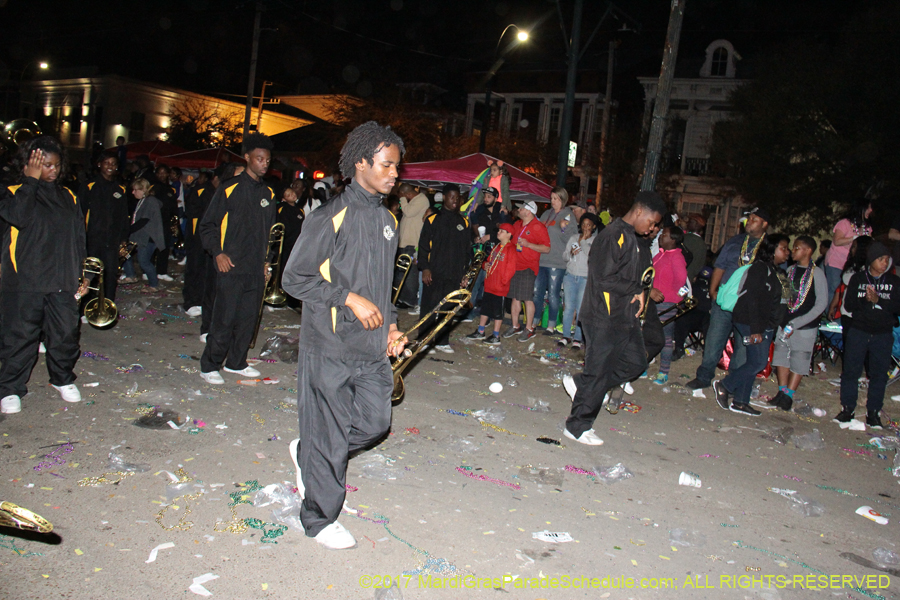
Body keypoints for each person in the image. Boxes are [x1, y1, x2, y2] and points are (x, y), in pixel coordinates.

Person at [281, 121, 407, 550]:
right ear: (361, 163)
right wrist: (347, 298)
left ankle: (312, 454)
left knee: (375, 422)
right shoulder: (327, 216)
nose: (394, 174)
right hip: (330, 345)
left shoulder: (390, 220)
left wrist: (390, 326)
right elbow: (293, 279)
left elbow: (384, 285)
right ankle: (317, 518)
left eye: (396, 166)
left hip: (371, 347)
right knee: (331, 432)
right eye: (387, 165)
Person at [561, 191, 667, 445]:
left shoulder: (633, 238)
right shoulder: (613, 235)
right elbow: (605, 277)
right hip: (602, 315)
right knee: (599, 371)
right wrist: (635, 289)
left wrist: (641, 292)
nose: (653, 228)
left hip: (623, 315)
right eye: (652, 222)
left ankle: (582, 383)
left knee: (636, 362)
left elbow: (636, 276)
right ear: (639, 211)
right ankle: (577, 427)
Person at [0, 136, 87, 415]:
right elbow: (18, 217)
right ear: (28, 164)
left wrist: (83, 275)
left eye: (55, 165)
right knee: (20, 336)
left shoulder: (68, 196)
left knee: (65, 334)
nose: (51, 170)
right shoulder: (13, 191)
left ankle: (62, 378)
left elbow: (78, 238)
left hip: (62, 279)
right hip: (25, 279)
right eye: (44, 165)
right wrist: (30, 181)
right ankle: (11, 388)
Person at [198, 133, 276, 384]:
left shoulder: (269, 194)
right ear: (247, 158)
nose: (264, 163)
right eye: (259, 159)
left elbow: (270, 234)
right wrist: (217, 253)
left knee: (247, 319)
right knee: (224, 318)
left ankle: (236, 362)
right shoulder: (229, 188)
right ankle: (210, 365)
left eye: (267, 160)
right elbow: (207, 225)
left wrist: (267, 262)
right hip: (231, 266)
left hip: (255, 268)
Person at [687, 207, 770, 391]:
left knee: (742, 347)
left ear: (764, 223)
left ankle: (731, 383)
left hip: (748, 306)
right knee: (714, 339)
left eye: (754, 219)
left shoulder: (768, 247)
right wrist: (713, 290)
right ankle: (703, 376)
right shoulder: (735, 241)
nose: (749, 222)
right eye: (749, 218)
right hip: (724, 300)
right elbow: (720, 266)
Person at [712, 235, 791, 416]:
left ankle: (740, 402)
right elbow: (752, 299)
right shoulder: (760, 269)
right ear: (772, 250)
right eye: (784, 248)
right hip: (751, 322)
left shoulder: (775, 271)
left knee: (752, 361)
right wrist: (756, 328)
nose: (788, 252)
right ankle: (725, 385)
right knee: (758, 362)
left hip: (764, 323)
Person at [834, 242, 900, 429]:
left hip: (882, 333)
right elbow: (848, 305)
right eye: (880, 259)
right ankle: (848, 409)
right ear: (871, 260)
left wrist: (879, 300)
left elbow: (898, 307)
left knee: (878, 374)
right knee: (851, 371)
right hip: (859, 330)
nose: (884, 263)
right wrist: (866, 299)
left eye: (887, 259)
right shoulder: (857, 279)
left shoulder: (894, 282)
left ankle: (873, 413)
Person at [767, 235, 828, 410]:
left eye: (797, 248)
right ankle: (781, 391)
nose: (792, 251)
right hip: (785, 323)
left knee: (799, 359)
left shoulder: (818, 274)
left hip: (804, 326)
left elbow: (821, 304)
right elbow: (785, 298)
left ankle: (789, 395)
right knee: (780, 357)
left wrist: (798, 322)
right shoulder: (790, 270)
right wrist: (781, 319)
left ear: (808, 251)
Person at [418, 184, 471, 354]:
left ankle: (442, 341)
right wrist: (425, 268)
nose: (455, 200)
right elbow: (424, 246)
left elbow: (466, 251)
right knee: (429, 306)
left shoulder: (463, 222)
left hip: (454, 273)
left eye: (458, 197)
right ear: (445, 198)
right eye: (452, 197)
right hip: (434, 272)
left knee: (448, 307)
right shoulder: (433, 219)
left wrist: (465, 273)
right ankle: (424, 339)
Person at [81, 150, 129, 303]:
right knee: (89, 275)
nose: (110, 166)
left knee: (110, 274)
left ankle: (107, 306)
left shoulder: (120, 189)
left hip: (112, 241)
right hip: (92, 240)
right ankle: (84, 310)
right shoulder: (89, 186)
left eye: (113, 163)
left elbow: (123, 217)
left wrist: (123, 239)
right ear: (99, 164)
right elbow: (79, 215)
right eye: (107, 163)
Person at [464, 223, 517, 345]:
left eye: (502, 231)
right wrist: (484, 265)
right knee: (485, 309)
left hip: (499, 287)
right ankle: (481, 331)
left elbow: (511, 269)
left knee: (497, 312)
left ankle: (495, 335)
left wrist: (503, 282)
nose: (499, 232)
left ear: (509, 235)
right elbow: (488, 261)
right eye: (499, 230)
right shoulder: (496, 247)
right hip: (489, 284)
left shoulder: (511, 249)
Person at [532, 187, 575, 336]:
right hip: (541, 259)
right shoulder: (546, 214)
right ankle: (535, 320)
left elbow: (572, 239)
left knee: (553, 294)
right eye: (551, 198)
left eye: (556, 198)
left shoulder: (568, 215)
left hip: (556, 262)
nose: (552, 201)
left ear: (563, 199)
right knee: (537, 292)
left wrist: (563, 229)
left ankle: (551, 325)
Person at [650, 225, 688, 385]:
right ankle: (644, 366)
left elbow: (682, 282)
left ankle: (663, 372)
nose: (660, 237)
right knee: (650, 335)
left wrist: (675, 299)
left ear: (673, 239)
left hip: (667, 302)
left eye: (664, 234)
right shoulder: (661, 255)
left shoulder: (676, 257)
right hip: (653, 300)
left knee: (665, 338)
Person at [466, 185, 508, 320]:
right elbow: (473, 229)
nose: (486, 199)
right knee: (474, 281)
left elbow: (508, 233)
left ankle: (487, 314)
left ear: (495, 198)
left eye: (489, 196)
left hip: (495, 254)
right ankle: (469, 311)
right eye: (485, 196)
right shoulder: (480, 211)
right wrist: (476, 237)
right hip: (481, 253)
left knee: (489, 285)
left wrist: (491, 237)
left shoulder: (501, 212)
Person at [559, 213, 599, 349]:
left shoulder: (595, 241)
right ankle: (565, 336)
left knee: (581, 308)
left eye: (588, 225)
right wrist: (570, 252)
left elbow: (594, 259)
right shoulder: (573, 238)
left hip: (584, 277)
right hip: (570, 276)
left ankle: (577, 338)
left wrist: (584, 245)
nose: (585, 227)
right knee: (568, 307)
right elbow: (564, 256)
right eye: (583, 224)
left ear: (593, 227)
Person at [182, 170, 218, 316]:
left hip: (210, 238)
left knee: (206, 271)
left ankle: (202, 300)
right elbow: (193, 213)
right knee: (195, 268)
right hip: (197, 238)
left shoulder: (220, 193)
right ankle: (191, 301)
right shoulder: (201, 191)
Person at [823, 199, 873, 303]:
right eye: (868, 208)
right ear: (861, 209)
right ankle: (832, 316)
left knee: (849, 290)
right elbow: (837, 241)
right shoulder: (844, 223)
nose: (871, 210)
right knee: (834, 289)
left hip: (853, 265)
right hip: (836, 263)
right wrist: (855, 238)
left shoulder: (867, 227)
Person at [121, 178, 165, 291]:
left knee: (144, 262)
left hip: (148, 237)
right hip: (139, 236)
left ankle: (154, 285)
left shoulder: (151, 201)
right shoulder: (142, 201)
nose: (133, 192)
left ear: (143, 190)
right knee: (125, 254)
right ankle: (130, 275)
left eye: (135, 190)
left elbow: (143, 221)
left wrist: (128, 230)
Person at [394, 182, 429, 308]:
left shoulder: (422, 200)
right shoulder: (412, 202)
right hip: (405, 242)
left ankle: (410, 300)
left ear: (406, 193)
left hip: (413, 243)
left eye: (402, 195)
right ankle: (401, 298)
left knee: (410, 273)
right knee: (402, 272)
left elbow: (408, 212)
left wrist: (402, 199)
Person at [277, 185, 305, 310]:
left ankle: (294, 299)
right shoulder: (281, 209)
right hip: (286, 246)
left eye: (292, 193)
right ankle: (283, 297)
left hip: (298, 246)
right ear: (283, 198)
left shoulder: (300, 210)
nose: (292, 195)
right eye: (288, 195)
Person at [151, 164, 177, 282]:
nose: (162, 175)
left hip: (166, 222)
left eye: (164, 172)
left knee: (165, 246)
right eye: (159, 173)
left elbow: (173, 206)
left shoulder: (171, 189)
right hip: (153, 222)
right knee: (152, 246)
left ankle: (162, 271)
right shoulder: (152, 188)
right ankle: (149, 271)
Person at [682, 214, 708, 282]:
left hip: (680, 275)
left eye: (691, 222)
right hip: (690, 277)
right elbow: (701, 263)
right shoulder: (702, 244)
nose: (688, 223)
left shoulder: (686, 238)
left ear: (696, 225)